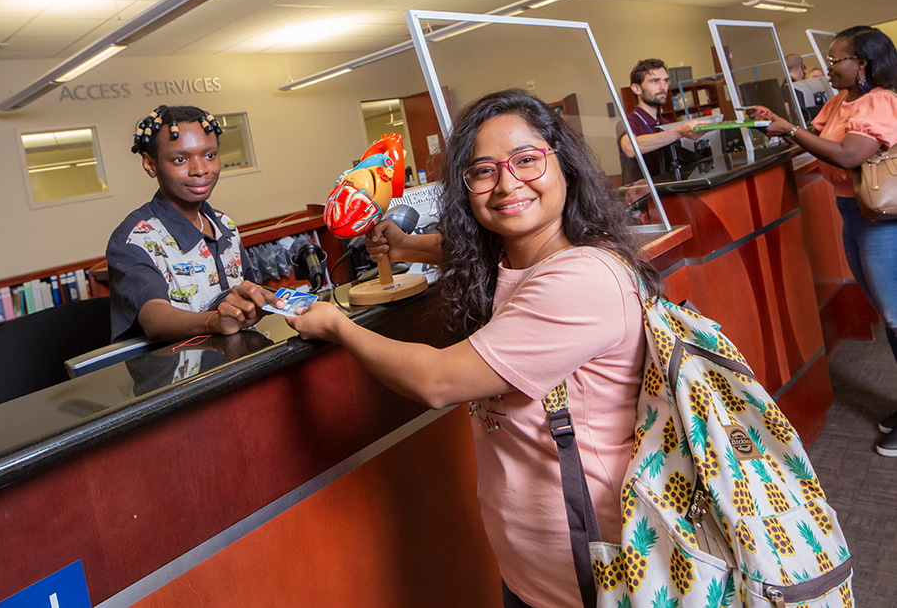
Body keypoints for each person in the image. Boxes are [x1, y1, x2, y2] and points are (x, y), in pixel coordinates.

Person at [285, 89, 663, 607]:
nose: (508, 183)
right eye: (483, 171)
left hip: (596, 572)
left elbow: (437, 381)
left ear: (564, 166)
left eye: (527, 160)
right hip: (533, 565)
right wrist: (408, 244)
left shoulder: (581, 280)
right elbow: (483, 255)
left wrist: (338, 327)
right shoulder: (525, 259)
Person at [748, 26, 897, 457]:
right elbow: (813, 140)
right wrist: (779, 129)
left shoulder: (881, 101)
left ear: (862, 64)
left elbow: (849, 155)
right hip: (854, 214)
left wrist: (791, 131)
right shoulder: (840, 102)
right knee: (889, 314)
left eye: (837, 60)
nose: (830, 67)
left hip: (884, 222)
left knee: (895, 313)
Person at [107, 105, 282, 343]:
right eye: (180, 159)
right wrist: (214, 321)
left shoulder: (224, 224)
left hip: (238, 360)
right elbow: (153, 317)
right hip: (179, 374)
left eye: (209, 155)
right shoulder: (134, 238)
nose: (200, 170)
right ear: (150, 164)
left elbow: (244, 288)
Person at [616, 58, 706, 184]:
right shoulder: (628, 123)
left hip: (667, 193)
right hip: (642, 199)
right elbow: (630, 148)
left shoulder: (666, 124)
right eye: (654, 81)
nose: (663, 87)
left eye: (665, 81)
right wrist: (679, 132)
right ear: (637, 89)